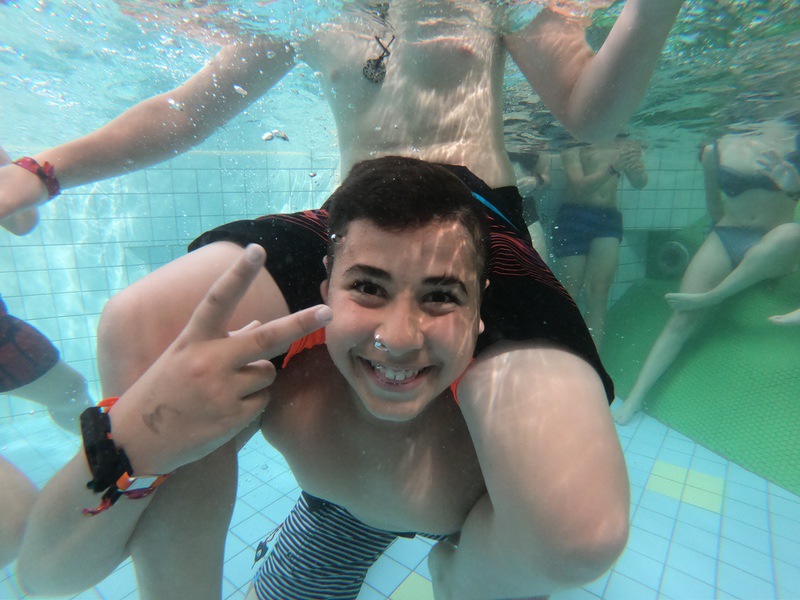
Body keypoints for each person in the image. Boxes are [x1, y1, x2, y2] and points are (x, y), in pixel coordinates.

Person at [18, 157, 629, 600]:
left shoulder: (492, 411)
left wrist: (463, 583)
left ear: (480, 312)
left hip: (485, 217)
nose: (397, 338)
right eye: (366, 289)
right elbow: (44, 577)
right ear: (321, 288)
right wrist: (144, 433)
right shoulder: (280, 373)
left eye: (442, 298)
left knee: (576, 534)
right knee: (142, 322)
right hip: (336, 510)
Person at [0, 0, 685, 236]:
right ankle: (329, 510)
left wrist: (653, 12)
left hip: (476, 218)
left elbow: (589, 114)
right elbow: (182, 116)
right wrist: (43, 171)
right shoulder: (304, 11)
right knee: (146, 316)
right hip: (351, 222)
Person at [613, 120, 800, 425]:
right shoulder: (716, 147)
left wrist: (793, 187)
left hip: (775, 241)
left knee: (792, 233)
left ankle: (713, 296)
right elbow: (713, 200)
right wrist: (716, 241)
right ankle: (635, 397)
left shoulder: (795, 139)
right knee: (681, 318)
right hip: (728, 234)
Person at [554, 137, 648, 348]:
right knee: (570, 290)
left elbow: (640, 183)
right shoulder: (575, 139)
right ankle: (562, 351)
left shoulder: (624, 141)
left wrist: (637, 170)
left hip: (608, 218)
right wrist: (613, 168)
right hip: (574, 216)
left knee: (599, 290)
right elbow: (578, 188)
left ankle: (592, 356)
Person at [510, 150, 552, 259]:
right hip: (492, 204)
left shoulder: (539, 143)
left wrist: (536, 181)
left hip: (525, 206)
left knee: (538, 262)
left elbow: (546, 179)